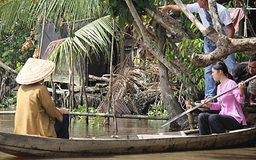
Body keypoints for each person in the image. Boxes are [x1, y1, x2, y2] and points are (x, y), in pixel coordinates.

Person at [161, 0, 236, 99]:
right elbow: (183, 7)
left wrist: (226, 47)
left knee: (231, 67)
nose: (197, 1)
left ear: (204, 1)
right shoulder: (199, 7)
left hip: (224, 39)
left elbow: (231, 29)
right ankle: (210, 95)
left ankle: (235, 93)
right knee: (209, 67)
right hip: (209, 40)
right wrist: (169, 7)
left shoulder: (221, 10)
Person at [14, 58, 70, 139]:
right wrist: (61, 112)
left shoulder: (21, 89)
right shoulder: (41, 89)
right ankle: (63, 145)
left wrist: (57, 110)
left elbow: (35, 107)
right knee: (64, 117)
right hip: (38, 133)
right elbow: (51, 112)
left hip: (20, 132)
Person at [198, 61, 246, 135]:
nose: (212, 75)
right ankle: (204, 139)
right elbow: (219, 106)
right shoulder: (219, 87)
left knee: (213, 118)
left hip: (235, 118)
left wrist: (241, 90)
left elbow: (240, 100)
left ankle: (218, 139)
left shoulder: (231, 83)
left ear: (220, 72)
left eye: (213, 72)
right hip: (224, 116)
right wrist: (209, 104)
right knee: (202, 116)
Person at [231, 53, 256, 124]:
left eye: (254, 67)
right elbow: (230, 77)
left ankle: (251, 100)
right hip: (241, 91)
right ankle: (248, 117)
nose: (251, 69)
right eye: (249, 66)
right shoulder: (241, 66)